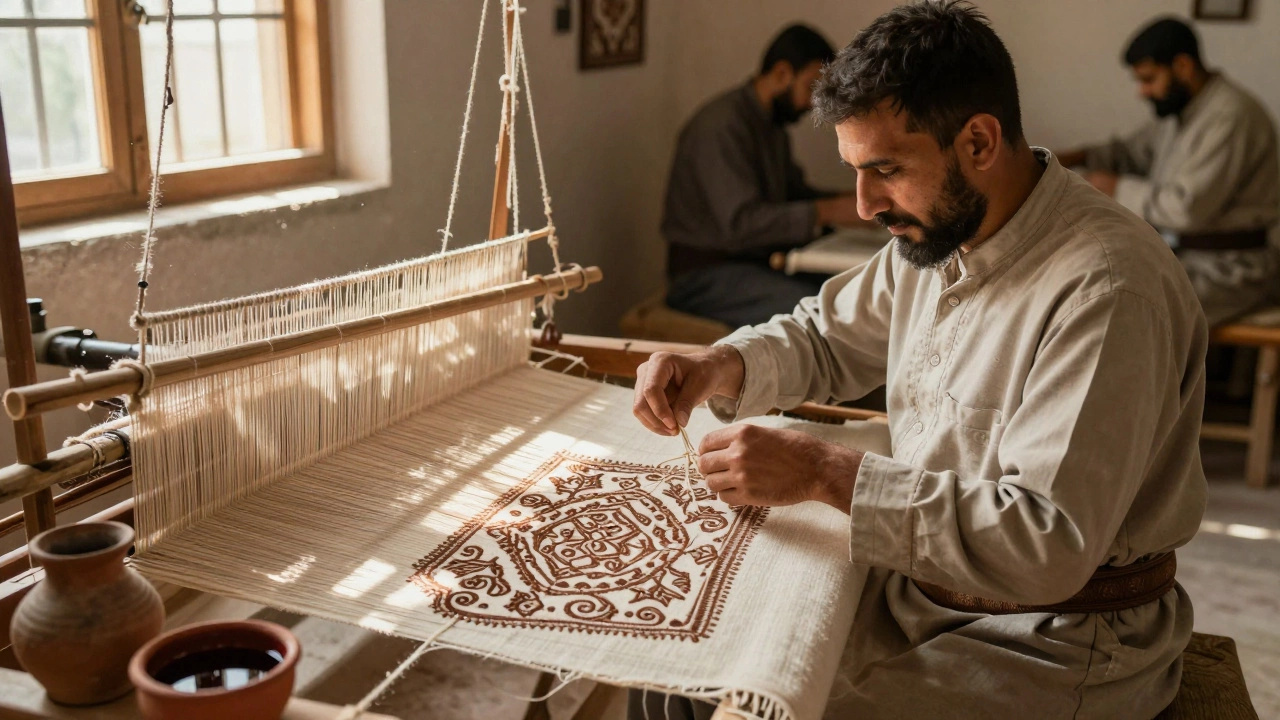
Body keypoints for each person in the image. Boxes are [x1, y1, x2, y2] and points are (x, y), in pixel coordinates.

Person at [631, 2, 1207, 718]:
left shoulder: (1107, 286)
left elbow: (1044, 543)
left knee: (748, 706)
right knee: (669, 658)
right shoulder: (936, 237)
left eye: (886, 170)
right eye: (856, 172)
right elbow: (824, 336)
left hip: (1055, 640)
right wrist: (720, 364)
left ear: (978, 141)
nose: (867, 204)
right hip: (923, 590)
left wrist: (821, 470)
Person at [1058, 17, 1280, 325]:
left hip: (1230, 272)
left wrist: (1112, 187)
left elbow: (1187, 210)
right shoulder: (1180, 111)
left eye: (1149, 79)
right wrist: (1070, 157)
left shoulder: (1231, 116)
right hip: (1186, 258)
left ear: (1183, 66)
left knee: (1115, 302)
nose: (1142, 91)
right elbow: (1130, 153)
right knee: (1079, 273)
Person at [662, 24, 865, 329]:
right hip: (704, 275)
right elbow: (741, 225)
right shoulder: (721, 127)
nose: (814, 104)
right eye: (812, 87)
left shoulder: (771, 126)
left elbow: (796, 194)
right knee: (819, 308)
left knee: (854, 288)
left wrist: (861, 200)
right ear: (783, 73)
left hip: (756, 263)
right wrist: (830, 210)